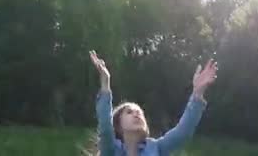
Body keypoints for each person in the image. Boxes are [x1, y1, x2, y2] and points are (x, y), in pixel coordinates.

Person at [88, 50, 218, 156]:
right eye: (129, 112)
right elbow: (105, 127)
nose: (136, 114)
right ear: (118, 125)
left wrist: (197, 93)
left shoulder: (157, 148)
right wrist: (105, 83)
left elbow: (183, 131)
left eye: (139, 112)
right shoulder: (110, 150)